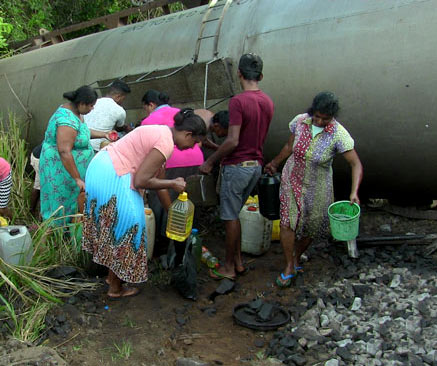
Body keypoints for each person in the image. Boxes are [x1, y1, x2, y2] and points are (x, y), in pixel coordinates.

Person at [82, 109, 207, 298]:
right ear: (188, 134)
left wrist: (172, 214)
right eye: (195, 142)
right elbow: (141, 181)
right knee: (129, 227)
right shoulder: (164, 143)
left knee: (115, 226)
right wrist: (174, 183)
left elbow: (159, 183)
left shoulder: (162, 133)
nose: (193, 147)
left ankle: (111, 278)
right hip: (113, 172)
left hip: (101, 167)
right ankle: (115, 289)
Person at [265, 91, 363, 287]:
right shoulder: (301, 121)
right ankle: (289, 265)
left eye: (324, 119)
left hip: (318, 186)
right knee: (287, 222)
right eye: (316, 116)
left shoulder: (338, 134)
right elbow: (289, 146)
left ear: (331, 117)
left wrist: (354, 192)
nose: (318, 121)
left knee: (312, 226)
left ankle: (297, 255)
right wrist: (275, 163)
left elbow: (356, 164)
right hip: (292, 178)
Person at [199, 53, 274, 280]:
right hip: (255, 166)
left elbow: (232, 140)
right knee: (235, 215)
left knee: (229, 217)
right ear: (260, 75)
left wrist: (210, 161)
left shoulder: (238, 102)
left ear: (239, 73)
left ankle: (229, 267)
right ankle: (239, 263)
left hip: (237, 166)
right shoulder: (267, 102)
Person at [39, 85, 116, 225]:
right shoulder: (66, 120)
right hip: (61, 170)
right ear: (81, 103)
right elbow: (64, 151)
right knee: (59, 207)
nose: (92, 109)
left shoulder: (76, 113)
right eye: (91, 106)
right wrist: (77, 178)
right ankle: (52, 238)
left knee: (71, 205)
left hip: (70, 172)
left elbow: (82, 132)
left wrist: (104, 134)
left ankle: (67, 237)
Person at [140, 90, 205, 256]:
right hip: (196, 160)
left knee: (159, 201)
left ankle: (161, 244)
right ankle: (184, 239)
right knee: (186, 201)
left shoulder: (149, 121)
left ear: (151, 105)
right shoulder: (182, 115)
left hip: (170, 162)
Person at [85, 80, 131, 152]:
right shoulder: (120, 110)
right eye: (123, 99)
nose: (123, 101)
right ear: (118, 96)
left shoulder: (94, 102)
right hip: (97, 148)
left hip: (81, 142)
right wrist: (126, 128)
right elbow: (119, 128)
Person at [28, 143, 43, 217]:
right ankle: (32, 212)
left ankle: (33, 211)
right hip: (40, 159)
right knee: (41, 187)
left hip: (41, 156)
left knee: (39, 186)